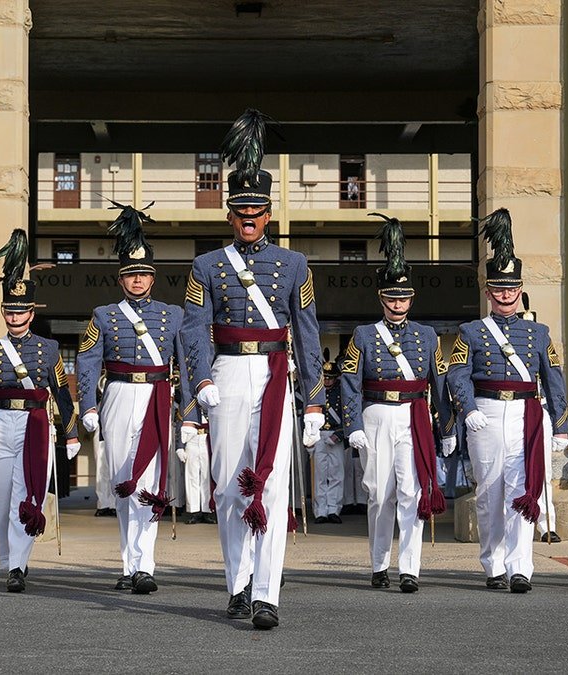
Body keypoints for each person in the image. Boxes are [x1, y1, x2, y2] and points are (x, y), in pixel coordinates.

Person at [181, 109, 325, 630]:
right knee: (226, 485)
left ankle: (266, 594)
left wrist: (314, 400)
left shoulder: (294, 264)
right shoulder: (205, 266)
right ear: (229, 215)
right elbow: (194, 328)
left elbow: (307, 334)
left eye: (257, 210)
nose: (248, 218)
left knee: (272, 485)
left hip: (275, 375)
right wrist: (199, 382)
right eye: (240, 210)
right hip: (225, 375)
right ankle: (237, 583)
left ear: (268, 213)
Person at [447, 208, 568, 593]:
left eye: (511, 289)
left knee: (523, 488)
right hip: (485, 411)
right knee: (489, 491)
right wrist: (467, 410)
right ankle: (493, 564)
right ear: (488, 292)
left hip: (525, 414)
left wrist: (562, 425)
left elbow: (554, 379)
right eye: (499, 289)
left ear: (520, 290)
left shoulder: (538, 332)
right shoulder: (471, 330)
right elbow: (457, 373)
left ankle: (520, 566)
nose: (505, 295)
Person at [76, 201, 188, 594]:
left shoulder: (173, 315)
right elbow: (87, 361)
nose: (137, 280)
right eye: (131, 275)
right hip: (120, 394)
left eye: (143, 274)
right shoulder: (104, 314)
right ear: (120, 279)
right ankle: (128, 563)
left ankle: (146, 565)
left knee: (152, 480)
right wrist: (87, 406)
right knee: (124, 479)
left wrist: (187, 412)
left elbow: (186, 365)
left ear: (152, 278)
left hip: (158, 394)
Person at [340, 213, 456, 592]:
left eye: (403, 296)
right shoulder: (363, 334)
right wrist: (353, 425)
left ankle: (410, 569)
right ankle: (378, 564)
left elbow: (440, 383)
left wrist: (447, 426)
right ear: (382, 298)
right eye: (392, 296)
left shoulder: (427, 336)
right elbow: (350, 381)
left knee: (412, 491)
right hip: (375, 414)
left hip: (413, 415)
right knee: (379, 493)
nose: (398, 303)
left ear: (412, 299)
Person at [0, 229, 78, 593]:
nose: (15, 317)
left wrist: (72, 431)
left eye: (22, 311)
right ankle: (10, 555)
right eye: (10, 311)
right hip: (0, 421)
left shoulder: (48, 349)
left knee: (26, 492)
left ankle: (17, 564)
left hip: (36, 422)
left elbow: (61, 391)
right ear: (3, 311)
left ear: (32, 312)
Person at [520, 294, 561, 543]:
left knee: (543, 470)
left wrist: (559, 422)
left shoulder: (539, 342)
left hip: (538, 408)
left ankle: (546, 524)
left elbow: (552, 378)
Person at [310, 350, 345, 524]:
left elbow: (348, 415)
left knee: (336, 474)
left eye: (330, 377)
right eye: (325, 377)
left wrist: (339, 434)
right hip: (319, 435)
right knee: (320, 475)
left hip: (335, 436)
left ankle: (334, 509)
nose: (327, 380)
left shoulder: (341, 392)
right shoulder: (316, 392)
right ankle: (320, 511)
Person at [180, 416, 215, 524]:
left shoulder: (210, 405)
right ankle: (194, 511)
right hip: (192, 441)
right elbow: (180, 426)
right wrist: (180, 447)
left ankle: (206, 511)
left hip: (206, 441)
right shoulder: (188, 406)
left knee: (206, 478)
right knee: (192, 478)